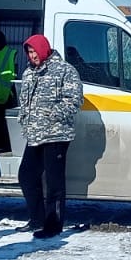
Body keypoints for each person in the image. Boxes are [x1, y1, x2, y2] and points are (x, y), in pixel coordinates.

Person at [15, 33, 83, 239]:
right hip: (34, 134)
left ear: (44, 49)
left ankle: (53, 226)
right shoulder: (29, 73)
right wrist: (23, 117)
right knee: (26, 176)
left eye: (35, 50)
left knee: (54, 183)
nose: (32, 55)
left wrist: (52, 115)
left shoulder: (64, 70)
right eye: (29, 51)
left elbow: (74, 100)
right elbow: (25, 100)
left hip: (56, 135)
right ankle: (37, 219)